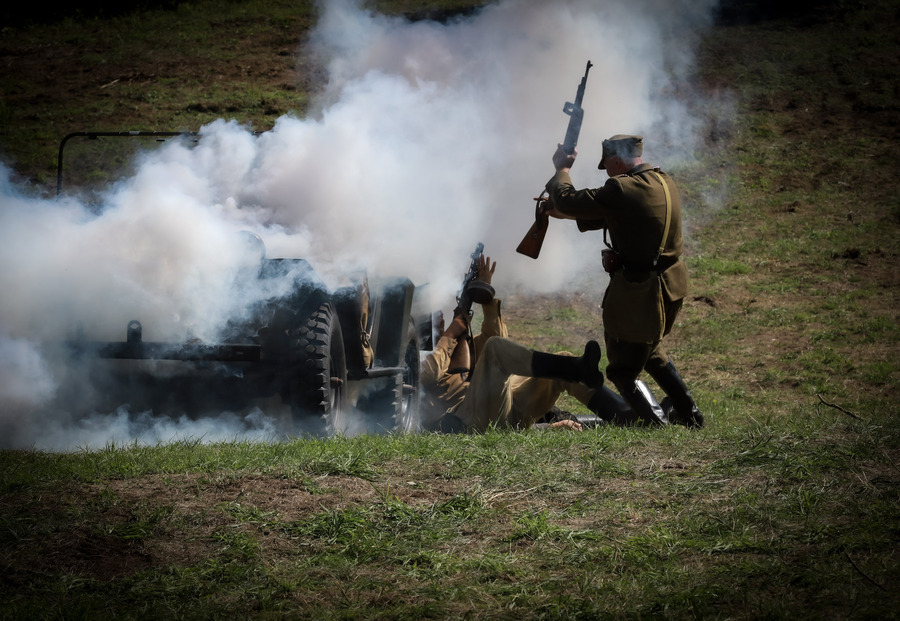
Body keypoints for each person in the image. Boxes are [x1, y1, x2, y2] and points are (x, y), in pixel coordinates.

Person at [542, 134, 704, 428]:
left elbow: (568, 198)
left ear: (616, 159)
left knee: (621, 370)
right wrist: (564, 214)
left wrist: (562, 169)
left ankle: (654, 424)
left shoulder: (621, 187)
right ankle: (690, 414)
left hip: (641, 292)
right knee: (651, 351)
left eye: (608, 165)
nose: (607, 172)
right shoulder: (662, 180)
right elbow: (618, 216)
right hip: (671, 286)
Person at [419, 253, 646, 432]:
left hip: (504, 411)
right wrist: (449, 335)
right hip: (470, 421)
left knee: (562, 360)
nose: (439, 318)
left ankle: (626, 416)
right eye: (433, 318)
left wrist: (486, 297)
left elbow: (495, 337)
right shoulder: (420, 357)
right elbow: (428, 374)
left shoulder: (457, 348)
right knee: (496, 349)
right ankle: (574, 370)